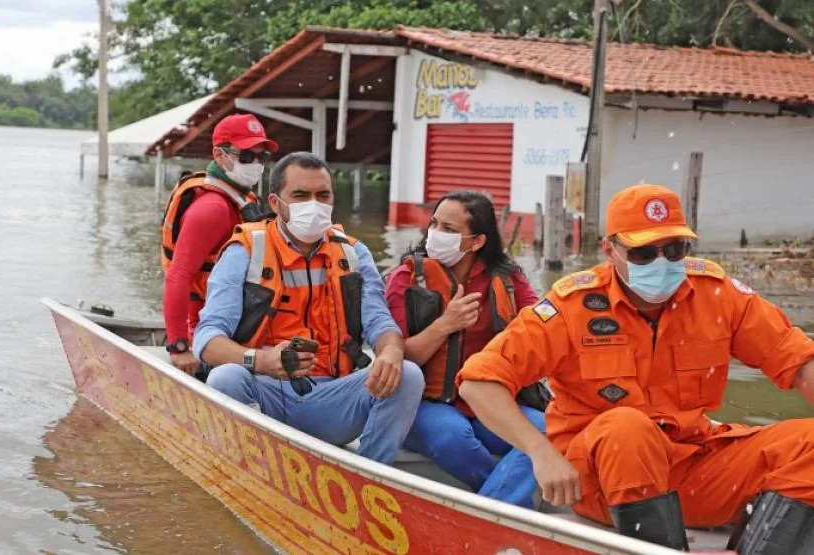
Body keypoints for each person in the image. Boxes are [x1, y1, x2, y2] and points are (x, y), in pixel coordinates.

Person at [456, 183, 814, 552]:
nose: (662, 263)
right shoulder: (571, 306)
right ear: (610, 251)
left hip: (691, 461)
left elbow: (800, 361)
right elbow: (479, 382)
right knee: (627, 427)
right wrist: (540, 452)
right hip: (599, 478)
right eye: (643, 253)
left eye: (674, 250)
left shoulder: (717, 293)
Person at [193, 152, 425, 465]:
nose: (313, 205)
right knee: (226, 378)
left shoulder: (353, 253)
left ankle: (370, 476)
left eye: (323, 195)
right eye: (301, 195)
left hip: (332, 399)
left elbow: (380, 322)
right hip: (265, 397)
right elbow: (206, 340)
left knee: (408, 374)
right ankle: (253, 466)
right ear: (275, 203)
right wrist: (261, 360)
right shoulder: (245, 250)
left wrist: (391, 351)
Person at [383, 191, 548, 507]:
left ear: (477, 242)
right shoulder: (406, 277)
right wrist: (445, 324)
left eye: (448, 229)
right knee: (452, 438)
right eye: (434, 223)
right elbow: (398, 356)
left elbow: (544, 329)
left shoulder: (508, 279)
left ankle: (495, 509)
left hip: (491, 401)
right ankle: (509, 510)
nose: (435, 233)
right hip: (426, 403)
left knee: (550, 431)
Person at [161, 114, 276, 377]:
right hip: (207, 331)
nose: (256, 164)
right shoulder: (212, 208)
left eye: (262, 157)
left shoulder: (242, 199)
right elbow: (178, 275)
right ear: (219, 155)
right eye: (246, 156)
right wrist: (179, 346)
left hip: (234, 323)